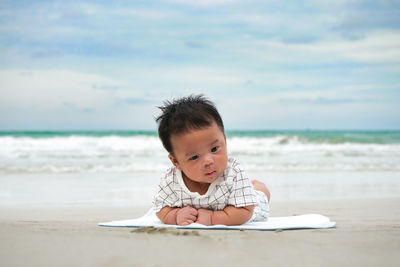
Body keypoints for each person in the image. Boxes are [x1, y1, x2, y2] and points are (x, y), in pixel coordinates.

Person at [153, 95, 270, 226]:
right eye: (194, 157)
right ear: (176, 162)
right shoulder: (171, 181)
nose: (208, 161)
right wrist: (175, 215)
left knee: (260, 197)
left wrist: (213, 218)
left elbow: (245, 211)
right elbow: (160, 208)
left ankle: (259, 188)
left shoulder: (233, 173)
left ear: (224, 140)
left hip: (246, 207)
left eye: (214, 149)